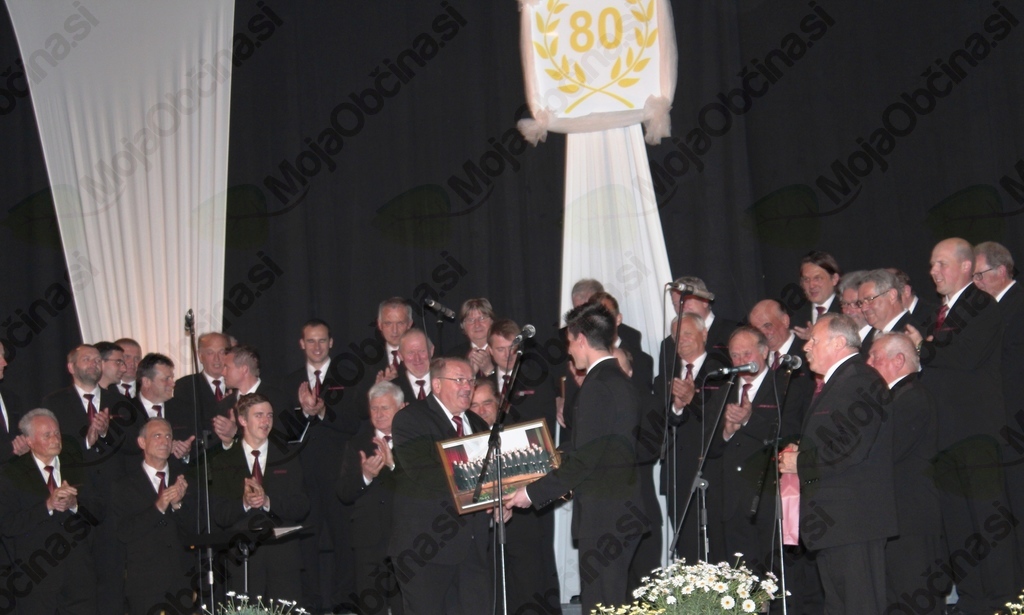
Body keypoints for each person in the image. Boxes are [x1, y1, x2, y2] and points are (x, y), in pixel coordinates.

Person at [505, 302, 647, 615]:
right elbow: (596, 447)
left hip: (605, 519)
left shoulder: (598, 386)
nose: (569, 351)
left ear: (581, 339)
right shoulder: (618, 380)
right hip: (617, 515)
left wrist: (531, 493)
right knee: (609, 605)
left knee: (602, 606)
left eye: (569, 342)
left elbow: (585, 460)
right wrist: (545, 455)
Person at [906, 237, 1017, 613]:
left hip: (975, 435)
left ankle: (1002, 601)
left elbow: (966, 356)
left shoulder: (981, 305)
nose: (933, 272)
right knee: (958, 526)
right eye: (932, 265)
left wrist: (923, 347)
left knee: (986, 524)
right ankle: (972, 600)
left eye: (942, 264)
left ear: (967, 266)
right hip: (945, 439)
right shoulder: (939, 313)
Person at [778, 314, 896, 614]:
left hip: (853, 521)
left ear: (839, 342)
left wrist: (800, 462)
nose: (806, 347)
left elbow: (849, 449)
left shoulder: (859, 380)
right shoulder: (841, 381)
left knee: (860, 606)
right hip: (835, 522)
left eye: (814, 341)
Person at [388, 357, 495, 615]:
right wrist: (481, 492)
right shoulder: (410, 419)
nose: (467, 386)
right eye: (459, 380)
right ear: (436, 385)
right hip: (426, 549)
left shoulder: (478, 424)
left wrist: (499, 498)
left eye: (470, 380)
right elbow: (425, 474)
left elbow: (490, 474)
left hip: (473, 550)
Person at [707, 327, 809, 576]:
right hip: (732, 501)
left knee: (775, 578)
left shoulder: (786, 387)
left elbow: (790, 436)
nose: (741, 361)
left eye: (747, 354)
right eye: (735, 355)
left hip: (770, 498)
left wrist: (750, 420)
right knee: (739, 579)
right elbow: (709, 448)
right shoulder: (723, 391)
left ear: (764, 352)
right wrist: (727, 431)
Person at [282, 319, 360, 612]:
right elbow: (283, 434)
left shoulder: (347, 379)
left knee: (344, 541)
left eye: (322, 340)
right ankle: (311, 603)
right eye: (311, 341)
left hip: (339, 473)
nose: (317, 347)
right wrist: (304, 412)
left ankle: (344, 601)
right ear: (302, 344)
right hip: (303, 474)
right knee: (306, 542)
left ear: (331, 343)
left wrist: (324, 410)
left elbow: (353, 424)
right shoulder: (289, 382)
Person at [865, 333, 943, 615]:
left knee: (913, 596)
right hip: (899, 518)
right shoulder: (897, 397)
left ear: (898, 360)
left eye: (874, 357)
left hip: (911, 519)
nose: (868, 362)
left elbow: (885, 453)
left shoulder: (912, 397)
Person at [209, 393, 310, 601]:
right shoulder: (223, 461)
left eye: (270, 415)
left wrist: (268, 502)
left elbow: (301, 505)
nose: (266, 421)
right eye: (259, 415)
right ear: (242, 420)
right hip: (243, 560)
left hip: (283, 558)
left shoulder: (288, 455)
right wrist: (244, 503)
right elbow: (219, 514)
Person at [0, 408, 100, 614]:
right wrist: (47, 506)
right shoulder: (11, 475)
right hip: (36, 576)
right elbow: (7, 525)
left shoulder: (77, 465)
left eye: (57, 433)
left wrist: (75, 504)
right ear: (29, 441)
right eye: (47, 435)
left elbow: (99, 510)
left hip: (79, 576)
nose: (55, 439)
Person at [653, 312, 726, 563]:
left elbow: (720, 420)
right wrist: (676, 407)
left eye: (687, 333)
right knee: (686, 548)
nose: (681, 340)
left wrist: (693, 399)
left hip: (711, 471)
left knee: (715, 546)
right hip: (677, 474)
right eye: (676, 336)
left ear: (704, 333)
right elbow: (658, 425)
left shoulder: (721, 372)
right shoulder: (665, 376)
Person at [113, 418, 196, 615]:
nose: (164, 441)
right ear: (142, 442)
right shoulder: (125, 485)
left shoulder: (184, 479)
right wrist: (157, 508)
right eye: (157, 436)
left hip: (181, 581)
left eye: (168, 436)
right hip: (145, 585)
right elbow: (123, 532)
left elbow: (196, 529)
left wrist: (177, 505)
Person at [337, 381, 407, 615]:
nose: (379, 414)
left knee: (406, 605)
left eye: (385, 408)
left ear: (401, 408)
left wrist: (393, 465)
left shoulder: (412, 441)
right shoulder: (357, 444)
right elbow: (343, 493)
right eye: (374, 408)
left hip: (404, 539)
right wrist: (365, 476)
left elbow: (422, 488)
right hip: (368, 540)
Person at [857, 269, 916, 354]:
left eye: (869, 299)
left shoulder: (913, 334)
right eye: (860, 303)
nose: (863, 308)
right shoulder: (867, 338)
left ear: (892, 296)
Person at [792, 251, 842, 340]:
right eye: (806, 280)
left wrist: (814, 338)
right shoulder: (796, 315)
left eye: (817, 278)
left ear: (834, 279)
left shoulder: (845, 311)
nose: (811, 285)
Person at [0, 340, 29, 465]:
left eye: (3, 356)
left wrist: (26, 445)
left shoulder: (12, 399)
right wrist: (12, 449)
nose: (4, 363)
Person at [450, 298, 496, 377]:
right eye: (470, 320)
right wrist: (470, 374)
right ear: (463, 326)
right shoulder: (453, 357)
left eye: (482, 318)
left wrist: (490, 370)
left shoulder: (504, 352)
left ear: (492, 322)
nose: (477, 325)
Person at [376, 297, 414, 380]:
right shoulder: (366, 361)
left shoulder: (423, 358)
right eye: (388, 323)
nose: (394, 330)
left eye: (400, 323)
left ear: (409, 324)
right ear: (379, 324)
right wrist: (378, 387)